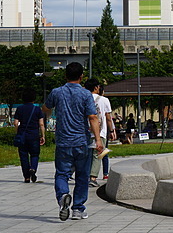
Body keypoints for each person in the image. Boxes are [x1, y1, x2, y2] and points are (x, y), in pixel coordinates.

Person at [42, 62, 103, 221]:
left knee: (62, 174)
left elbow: (46, 108)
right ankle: (78, 209)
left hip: (63, 141)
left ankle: (63, 196)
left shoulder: (57, 92)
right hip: (81, 141)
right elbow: (93, 117)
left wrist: (46, 119)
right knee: (82, 176)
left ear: (65, 76)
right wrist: (98, 140)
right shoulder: (85, 94)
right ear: (81, 77)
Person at [84, 79, 116, 187]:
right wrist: (112, 130)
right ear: (96, 87)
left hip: (85, 131)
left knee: (86, 155)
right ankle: (93, 178)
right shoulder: (104, 100)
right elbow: (108, 118)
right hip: (100, 131)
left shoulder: (82, 99)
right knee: (97, 154)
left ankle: (85, 176)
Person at [14, 89, 46, 183]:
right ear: (34, 99)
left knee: (23, 156)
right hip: (34, 136)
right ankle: (33, 168)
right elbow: (41, 124)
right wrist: (43, 135)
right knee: (35, 154)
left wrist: (18, 133)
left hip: (22, 136)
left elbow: (16, 123)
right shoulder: (37, 109)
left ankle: (26, 177)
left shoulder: (19, 109)